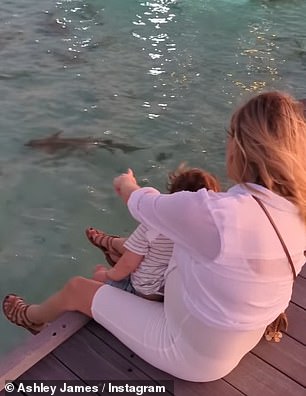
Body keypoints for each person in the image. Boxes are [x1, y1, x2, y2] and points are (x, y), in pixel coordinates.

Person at [3, 91, 306, 382]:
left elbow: (138, 201)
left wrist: (126, 182)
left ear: (240, 148)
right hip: (238, 336)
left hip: (190, 352)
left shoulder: (215, 214)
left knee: (78, 289)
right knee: (169, 235)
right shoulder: (296, 211)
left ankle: (31, 317)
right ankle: (120, 249)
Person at [85, 164, 221, 301]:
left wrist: (108, 275)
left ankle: (110, 247)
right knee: (145, 247)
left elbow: (128, 263)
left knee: (100, 273)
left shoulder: (154, 223)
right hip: (168, 290)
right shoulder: (206, 231)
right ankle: (111, 244)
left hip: (145, 289)